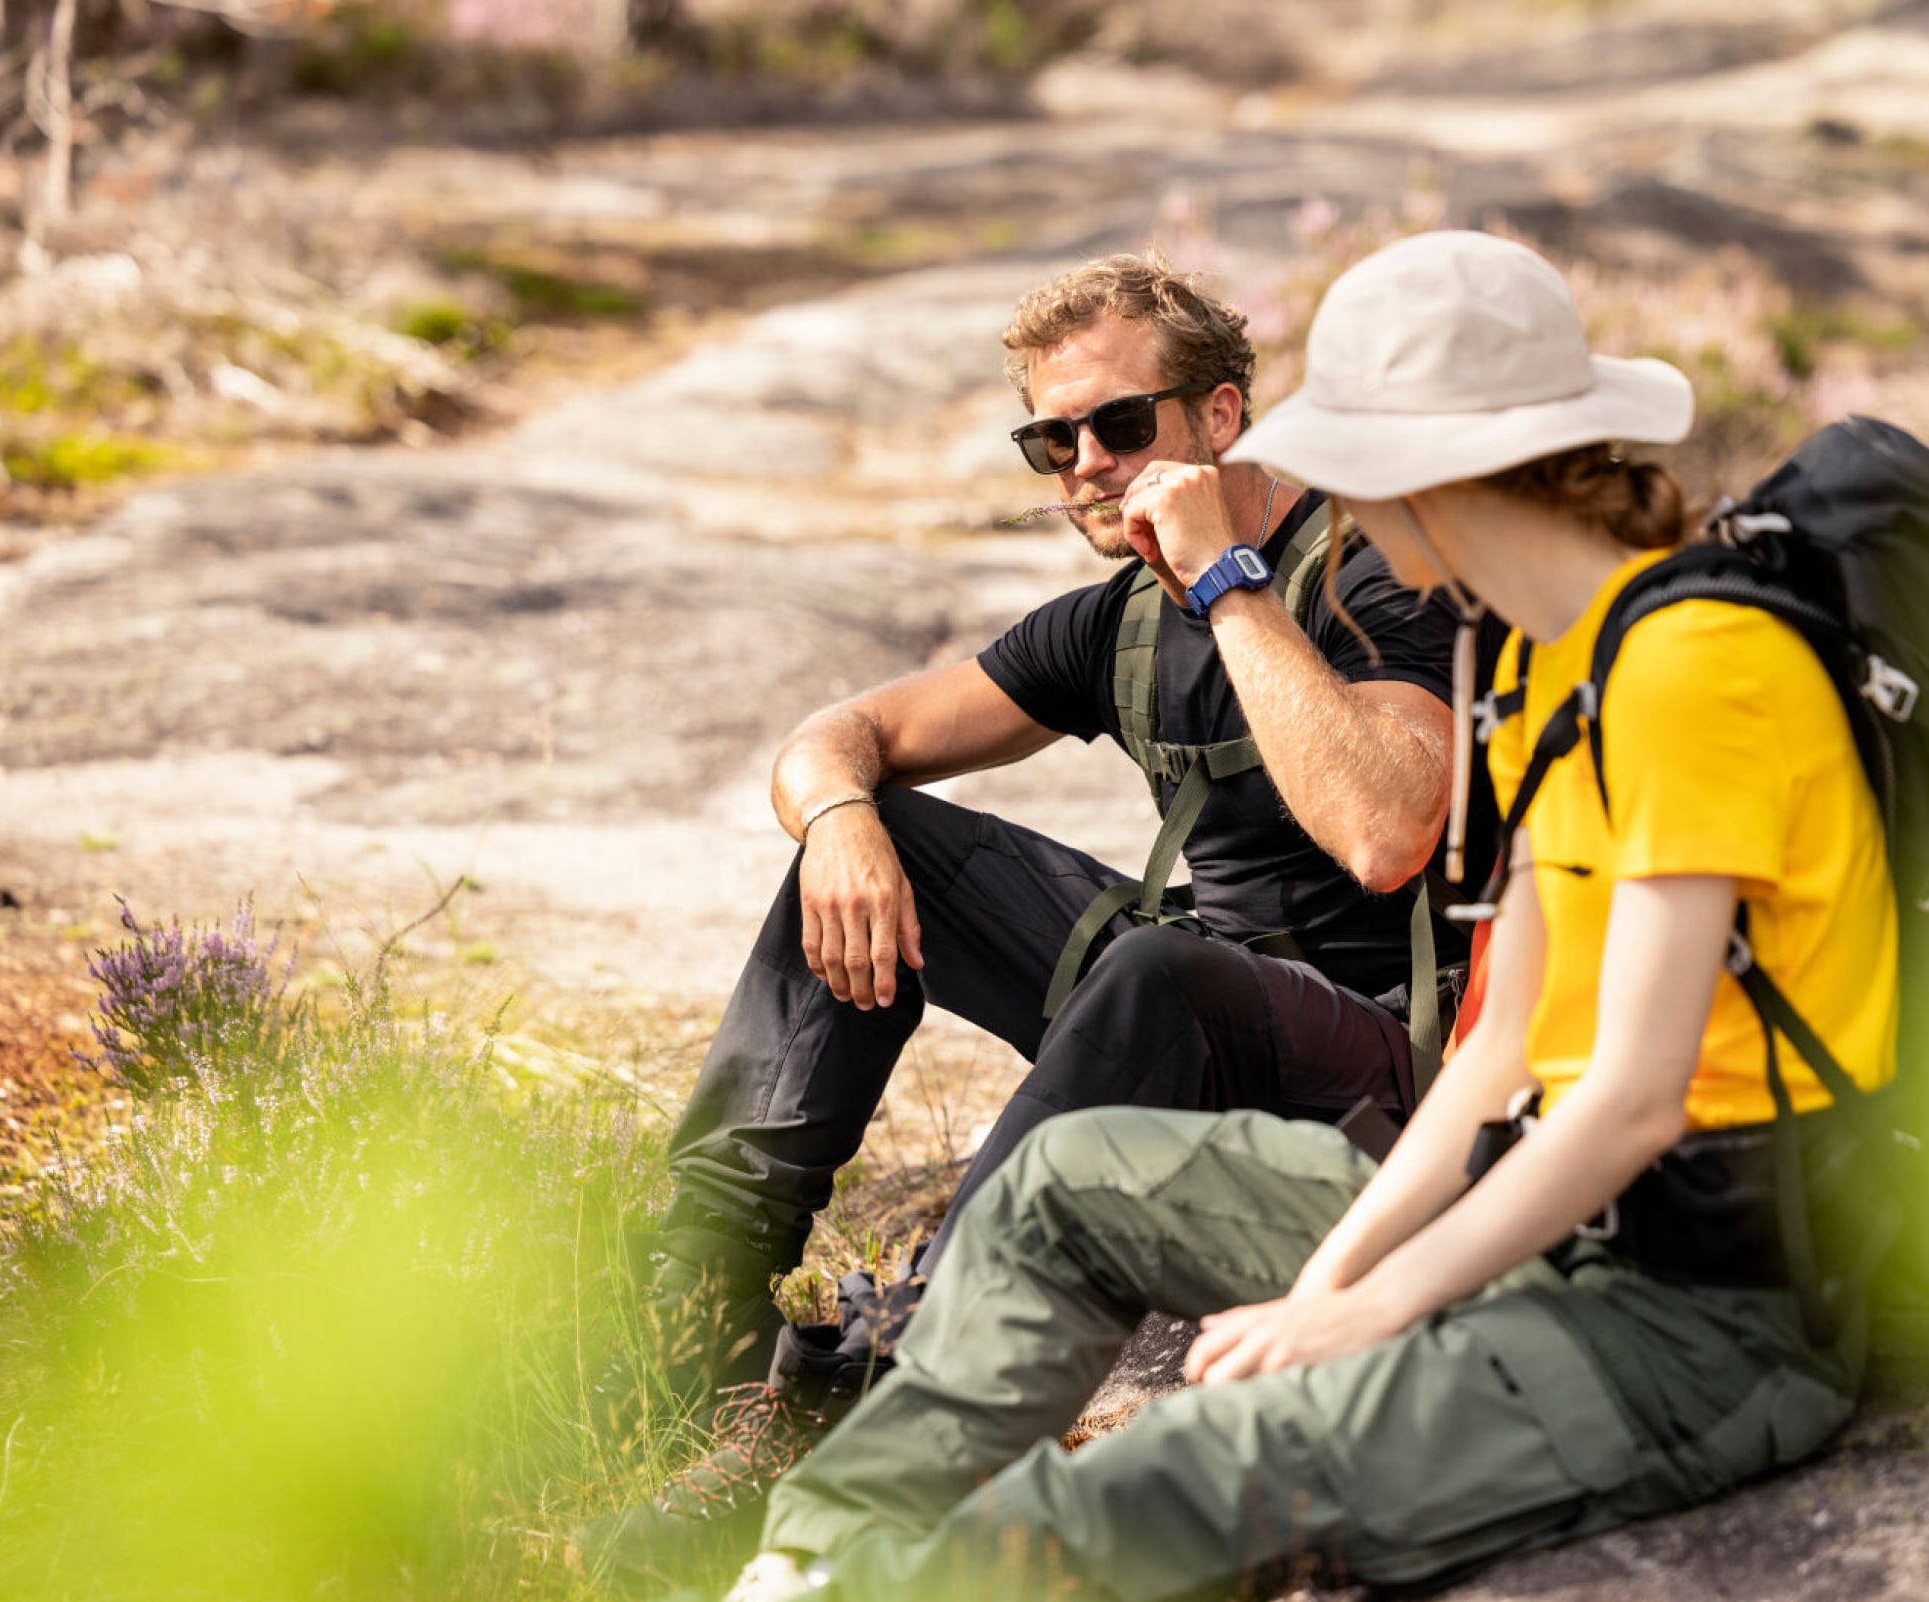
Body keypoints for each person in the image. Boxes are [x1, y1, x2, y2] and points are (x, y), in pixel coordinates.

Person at [713, 229, 1900, 1602]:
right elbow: (1508, 1048)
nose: (1336, 495)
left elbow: (1630, 1097)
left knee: (1183, 1469)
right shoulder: (1548, 660)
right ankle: (806, 1554)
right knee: (1061, 1183)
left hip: (1691, 1317)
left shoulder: (1702, 669)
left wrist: (1367, 1308)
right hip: (1525, 1214)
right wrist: (1331, 1279)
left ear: (1434, 475)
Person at [596, 250, 1496, 1550]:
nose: (1084, 460)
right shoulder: (1115, 622)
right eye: (1049, 438)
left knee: (1156, 973)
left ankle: (888, 1394)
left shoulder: (1365, 574)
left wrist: (1223, 580)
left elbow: (1388, 830)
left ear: (1220, 418)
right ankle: (687, 1330)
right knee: (879, 840)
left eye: (1119, 424)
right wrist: (845, 819)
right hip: (1186, 1010)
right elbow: (838, 734)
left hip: (1378, 1069)